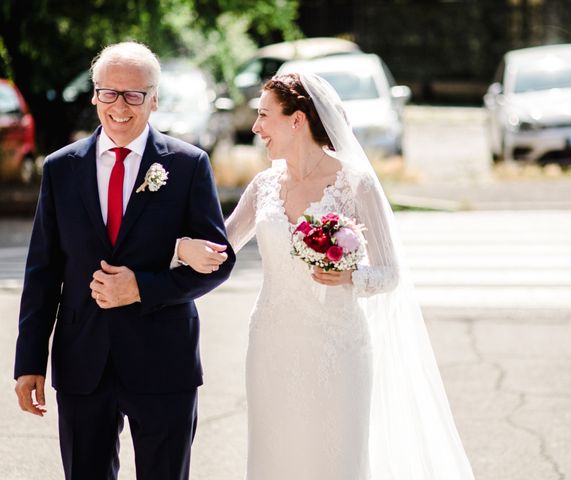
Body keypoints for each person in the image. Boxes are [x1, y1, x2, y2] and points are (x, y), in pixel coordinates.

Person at [176, 72, 475, 479]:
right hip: (273, 343)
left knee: (337, 460)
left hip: (339, 344)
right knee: (276, 457)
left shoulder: (356, 183)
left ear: (297, 120)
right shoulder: (264, 186)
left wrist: (350, 278)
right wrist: (179, 248)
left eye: (264, 115)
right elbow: (219, 249)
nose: (256, 126)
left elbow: (389, 274)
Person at [13, 41, 234, 480]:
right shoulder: (60, 168)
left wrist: (142, 287)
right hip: (82, 362)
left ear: (153, 99)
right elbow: (43, 271)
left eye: (134, 94)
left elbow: (219, 261)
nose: (120, 105)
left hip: (163, 360)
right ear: (95, 95)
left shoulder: (188, 165)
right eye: (109, 92)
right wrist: (29, 362)